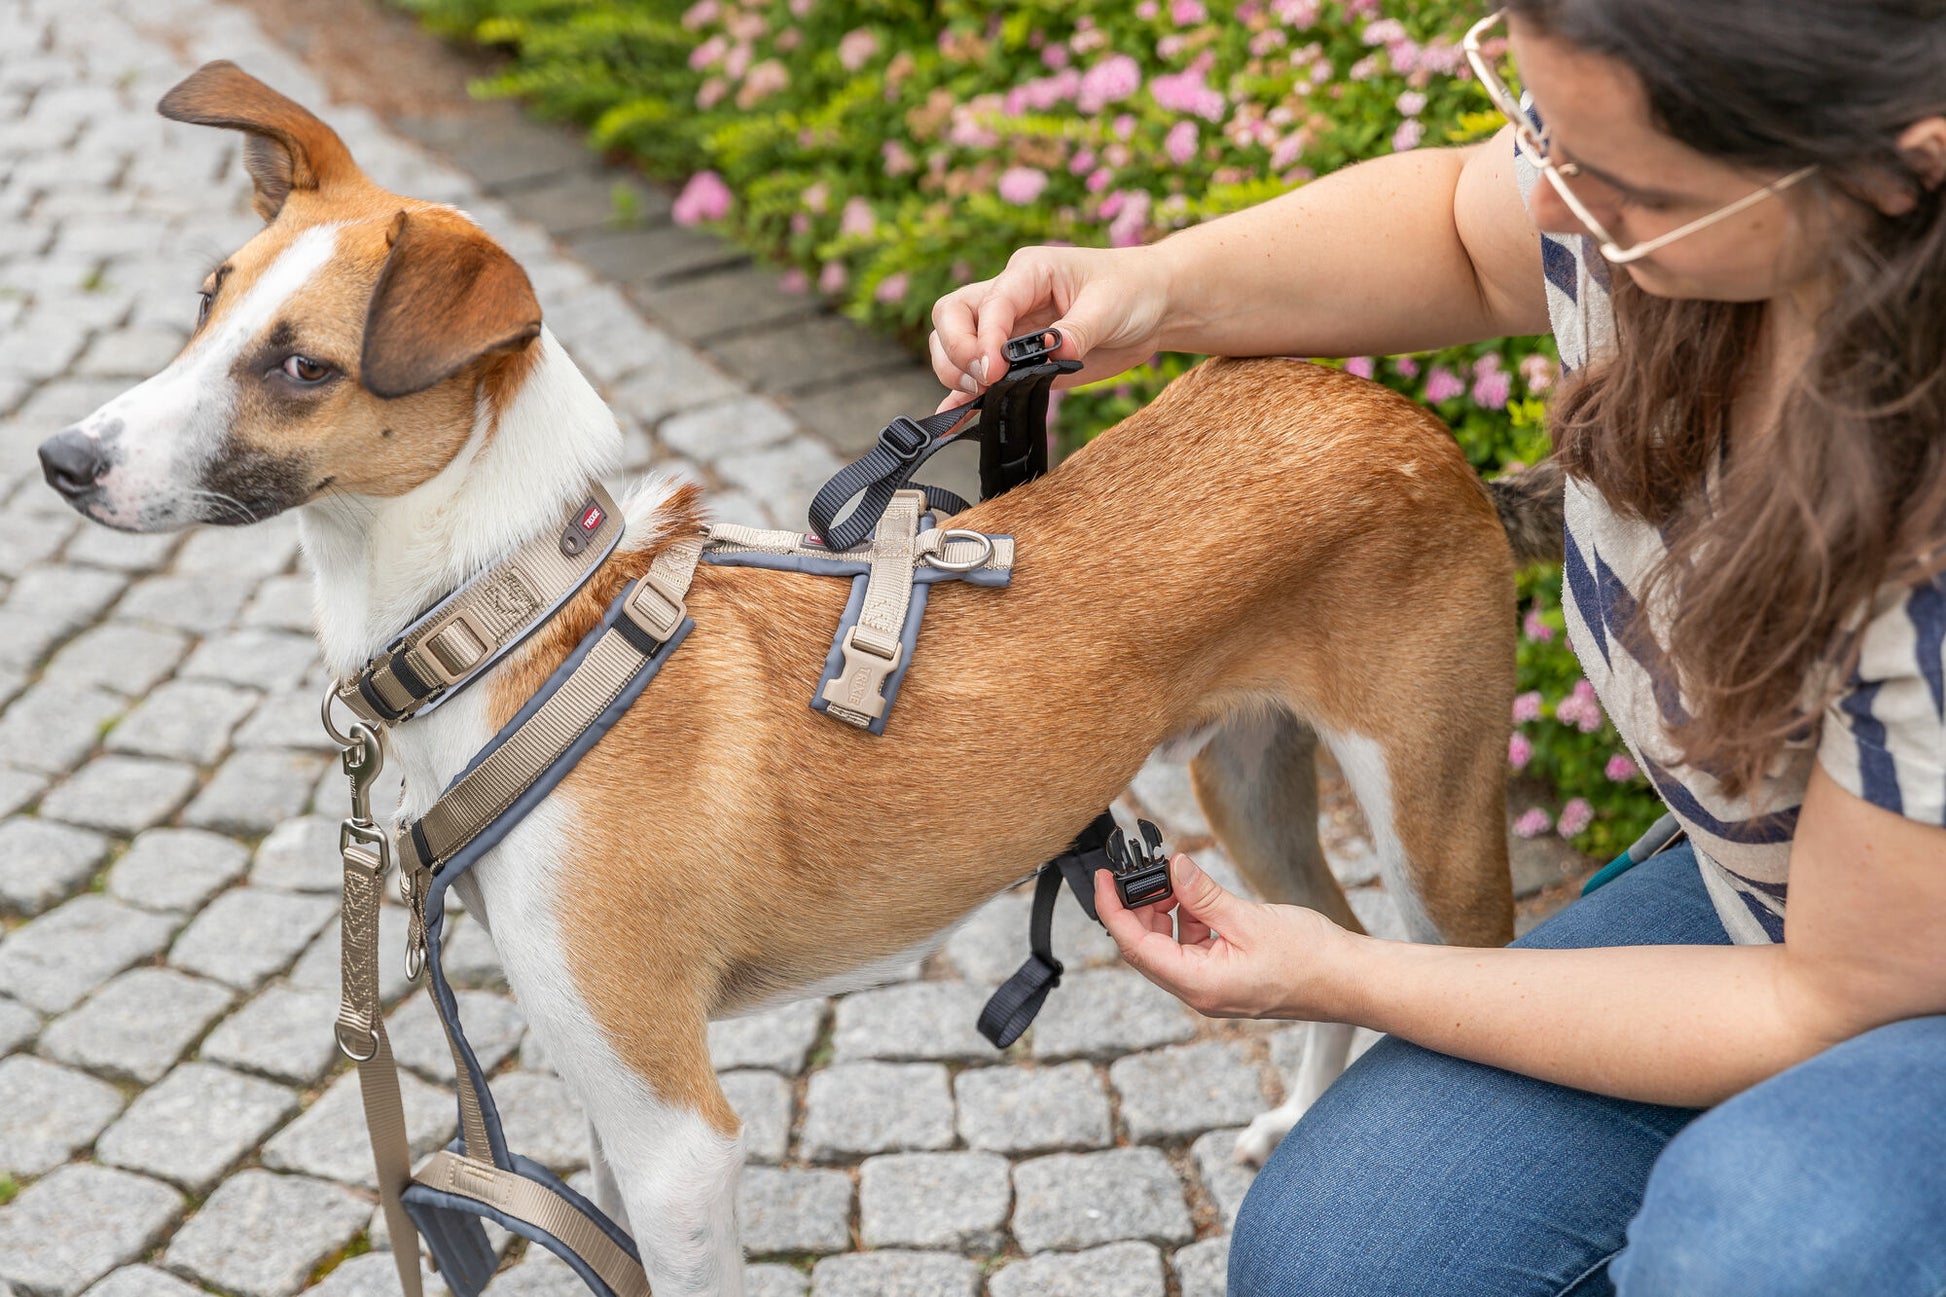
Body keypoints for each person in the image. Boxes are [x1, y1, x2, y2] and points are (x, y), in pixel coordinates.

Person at [928, 2, 1946, 1293]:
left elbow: (1831, 1002)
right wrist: (1155, 286)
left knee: (1757, 1244)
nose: (1559, 210)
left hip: (1888, 981)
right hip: (1801, 882)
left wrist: (1349, 972)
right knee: (1350, 1253)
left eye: (1625, 188)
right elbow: (1466, 232)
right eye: (1544, 137)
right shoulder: (1672, 208)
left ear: (1903, 167)